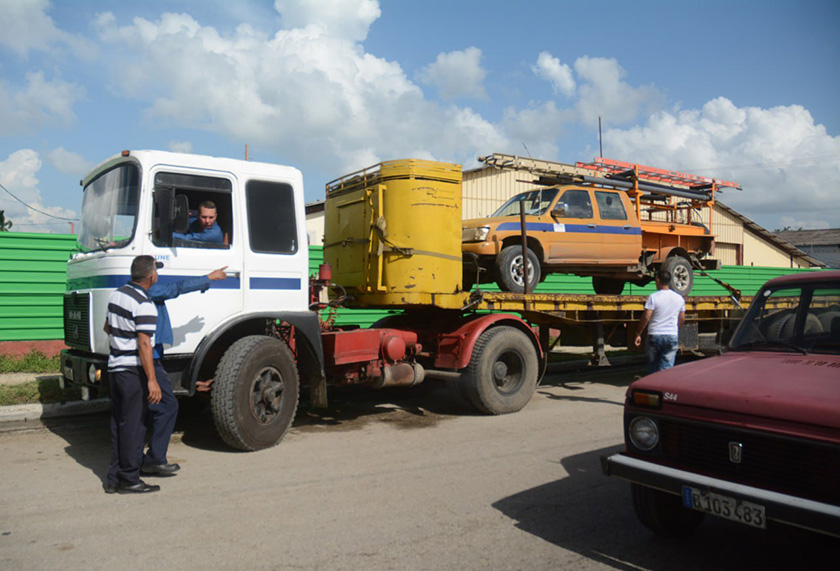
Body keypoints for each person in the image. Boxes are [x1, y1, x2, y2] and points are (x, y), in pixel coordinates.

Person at [140, 265, 229, 476]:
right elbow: (176, 288)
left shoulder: (126, 293)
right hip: (150, 358)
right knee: (168, 405)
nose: (158, 274)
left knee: (143, 408)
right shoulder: (150, 292)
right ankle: (154, 460)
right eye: (155, 269)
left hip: (146, 356)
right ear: (150, 275)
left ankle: (137, 458)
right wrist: (208, 277)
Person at [103, 255, 162, 494]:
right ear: (151, 277)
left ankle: (114, 478)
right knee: (134, 427)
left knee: (119, 424)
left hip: (114, 368)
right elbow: (144, 344)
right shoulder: (144, 304)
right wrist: (152, 380)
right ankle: (130, 479)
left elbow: (107, 327)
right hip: (131, 372)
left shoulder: (117, 294)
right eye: (156, 271)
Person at [634, 269, 686, 374]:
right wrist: (676, 329)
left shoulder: (653, 297)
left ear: (657, 280)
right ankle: (664, 388)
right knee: (666, 369)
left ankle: (654, 387)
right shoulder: (679, 298)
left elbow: (646, 317)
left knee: (653, 368)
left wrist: (638, 334)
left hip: (655, 335)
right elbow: (682, 318)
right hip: (671, 335)